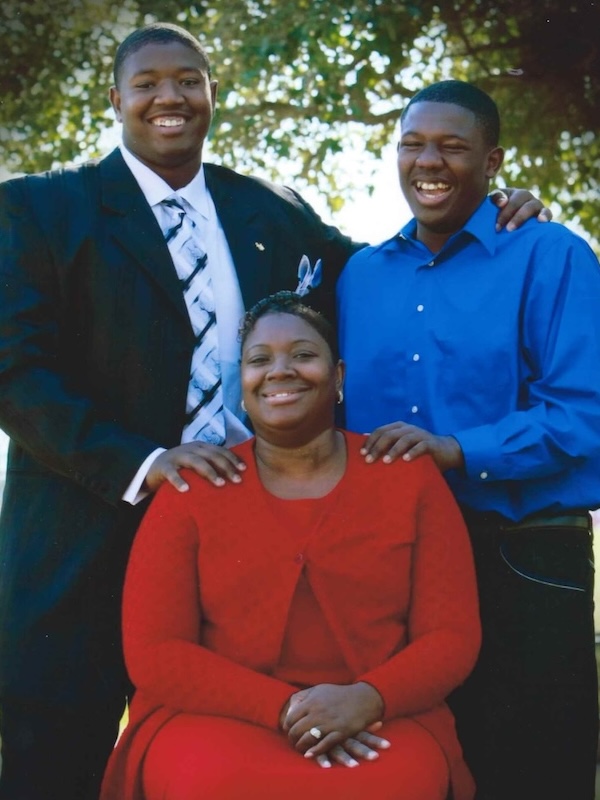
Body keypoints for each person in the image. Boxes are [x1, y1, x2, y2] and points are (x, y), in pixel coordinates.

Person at [0, 20, 547, 798]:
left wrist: (482, 215)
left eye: (188, 80)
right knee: (57, 761)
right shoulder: (38, 210)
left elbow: (387, 270)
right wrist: (146, 464)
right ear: (114, 97)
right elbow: (15, 372)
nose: (171, 97)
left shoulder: (267, 209)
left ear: (213, 93)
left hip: (236, 540)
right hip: (83, 528)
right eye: (149, 82)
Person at [99, 291, 481, 800]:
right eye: (260, 360)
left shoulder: (408, 476)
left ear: (339, 377)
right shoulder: (191, 488)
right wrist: (285, 708)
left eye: (303, 354)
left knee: (395, 785)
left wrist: (370, 698)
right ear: (243, 385)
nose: (280, 371)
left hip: (380, 716)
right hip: (218, 718)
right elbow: (154, 653)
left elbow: (451, 636)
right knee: (212, 785)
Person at [336, 79, 600, 800]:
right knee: (410, 770)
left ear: (494, 162)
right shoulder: (359, 275)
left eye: (454, 147)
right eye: (413, 145)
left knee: (533, 770)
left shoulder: (551, 255)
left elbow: (585, 415)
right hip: (392, 562)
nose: (430, 162)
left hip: (521, 552)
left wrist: (457, 448)